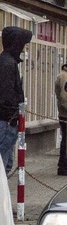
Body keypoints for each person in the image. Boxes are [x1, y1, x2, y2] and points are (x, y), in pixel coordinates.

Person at [0, 26, 32, 176]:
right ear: (17, 43)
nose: (26, 47)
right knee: (3, 164)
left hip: (8, 120)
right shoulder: (7, 64)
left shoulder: (8, 62)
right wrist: (12, 115)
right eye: (24, 43)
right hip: (6, 121)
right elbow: (6, 94)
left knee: (7, 164)